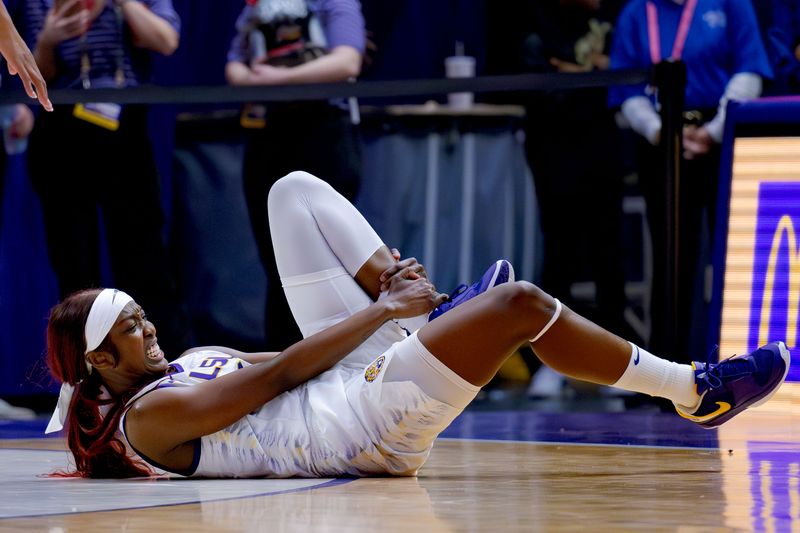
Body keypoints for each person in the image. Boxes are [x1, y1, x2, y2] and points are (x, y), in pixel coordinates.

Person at [43, 171, 790, 479]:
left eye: (143, 316)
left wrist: (392, 311)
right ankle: (694, 389)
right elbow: (277, 375)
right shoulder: (150, 417)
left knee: (292, 192)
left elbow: (275, 355)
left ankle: (431, 308)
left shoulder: (163, 375)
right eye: (133, 330)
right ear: (103, 362)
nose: (151, 330)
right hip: (361, 428)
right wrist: (381, 313)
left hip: (337, 381)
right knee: (521, 305)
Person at [21, 0, 190, 356]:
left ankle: (164, 364)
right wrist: (49, 39)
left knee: (143, 254)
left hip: (124, 125)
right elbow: (35, 75)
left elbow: (166, 41)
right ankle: (84, 371)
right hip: (60, 126)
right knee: (73, 262)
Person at [609, 0, 773, 361]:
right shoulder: (637, 11)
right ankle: (665, 368)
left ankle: (740, 363)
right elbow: (625, 88)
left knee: (733, 250)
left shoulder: (730, 5)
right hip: (659, 141)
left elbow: (750, 71)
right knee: (670, 256)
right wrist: (662, 133)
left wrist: (714, 132)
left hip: (722, 136)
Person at [225, 0, 365, 351]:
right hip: (268, 135)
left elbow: (347, 61)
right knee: (278, 261)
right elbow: (235, 67)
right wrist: (253, 79)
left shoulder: (333, 3)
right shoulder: (255, 6)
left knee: (334, 257)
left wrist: (279, 79)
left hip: (324, 135)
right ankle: (287, 367)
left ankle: (345, 359)